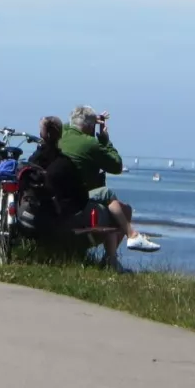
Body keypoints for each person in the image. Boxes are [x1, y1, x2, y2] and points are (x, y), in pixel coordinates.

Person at [59, 105, 159, 252]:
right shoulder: (90, 144)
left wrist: (92, 121)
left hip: (60, 194)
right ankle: (129, 239)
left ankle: (116, 255)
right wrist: (106, 141)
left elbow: (70, 124)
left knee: (113, 205)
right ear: (90, 126)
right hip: (79, 198)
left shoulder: (62, 134)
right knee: (120, 206)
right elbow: (117, 166)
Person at [30, 116, 125, 270]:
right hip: (65, 212)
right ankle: (115, 255)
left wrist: (89, 120)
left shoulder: (37, 158)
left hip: (42, 208)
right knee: (116, 205)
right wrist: (105, 140)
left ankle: (113, 255)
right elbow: (116, 165)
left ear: (42, 135)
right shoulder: (85, 148)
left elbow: (62, 125)